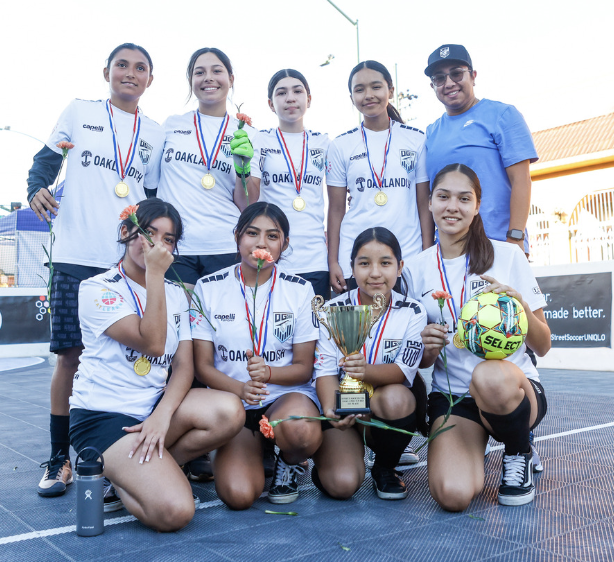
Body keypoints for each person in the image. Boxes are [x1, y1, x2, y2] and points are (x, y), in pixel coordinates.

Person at [27, 43, 165, 497]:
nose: (130, 73)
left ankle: (133, 453)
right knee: (70, 356)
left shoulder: (155, 133)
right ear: (106, 71)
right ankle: (58, 458)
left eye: (140, 67)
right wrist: (36, 191)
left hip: (127, 262)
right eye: (122, 65)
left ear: (150, 79)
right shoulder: (79, 111)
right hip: (74, 256)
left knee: (135, 355)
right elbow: (44, 164)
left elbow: (152, 197)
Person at [69, 198, 244, 531]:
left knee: (229, 410)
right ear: (126, 232)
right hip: (103, 415)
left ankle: (143, 469)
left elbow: (184, 367)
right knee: (176, 512)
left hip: (152, 408)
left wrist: (161, 416)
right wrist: (155, 274)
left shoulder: (176, 293)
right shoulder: (96, 288)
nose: (157, 245)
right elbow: (152, 342)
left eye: (168, 239)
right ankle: (120, 475)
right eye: (148, 234)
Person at [405, 164, 550, 510]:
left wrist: (520, 306)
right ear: (429, 203)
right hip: (455, 398)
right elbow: (423, 361)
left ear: (477, 206)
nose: (452, 206)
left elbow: (543, 345)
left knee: (488, 375)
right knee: (452, 496)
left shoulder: (508, 256)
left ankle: (519, 452)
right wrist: (427, 346)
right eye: (443, 197)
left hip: (511, 389)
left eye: (463, 198)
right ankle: (479, 441)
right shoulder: (415, 269)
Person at [192, 202, 322, 508]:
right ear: (237, 237)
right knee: (239, 496)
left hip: (284, 397)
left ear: (284, 244)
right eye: (252, 233)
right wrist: (240, 389)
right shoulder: (208, 287)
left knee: (299, 431)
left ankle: (289, 461)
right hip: (233, 404)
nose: (261, 243)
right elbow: (202, 367)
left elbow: (304, 368)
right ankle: (247, 448)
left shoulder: (301, 290)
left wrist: (270, 374)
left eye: (272, 236)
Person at [312, 227, 428, 500]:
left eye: (385, 263)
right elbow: (325, 370)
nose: (375, 273)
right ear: (352, 267)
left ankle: (385, 467)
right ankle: (330, 463)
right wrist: (331, 409)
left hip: (381, 406)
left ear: (399, 268)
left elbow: (402, 371)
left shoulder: (413, 311)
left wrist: (365, 372)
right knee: (341, 485)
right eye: (364, 263)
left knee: (398, 399)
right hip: (344, 404)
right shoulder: (331, 311)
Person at [326, 60, 433, 295]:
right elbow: (335, 210)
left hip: (408, 257)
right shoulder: (341, 145)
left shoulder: (416, 140)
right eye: (359, 89)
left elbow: (424, 204)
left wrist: (427, 254)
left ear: (390, 91)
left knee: (408, 329)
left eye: (376, 87)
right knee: (360, 331)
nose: (368, 95)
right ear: (351, 96)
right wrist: (334, 261)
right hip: (357, 260)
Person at [156, 47, 259, 289]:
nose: (208, 78)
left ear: (231, 79)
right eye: (199, 72)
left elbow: (248, 206)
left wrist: (243, 170)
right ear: (191, 81)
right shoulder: (171, 125)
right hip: (176, 247)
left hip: (225, 246)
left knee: (223, 325)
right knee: (176, 324)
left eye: (217, 71)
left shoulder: (247, 133)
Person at [423, 44, 538, 255]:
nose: (449, 83)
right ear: (433, 86)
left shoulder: (503, 115)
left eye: (457, 74)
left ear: (473, 76)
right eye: (439, 78)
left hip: (498, 245)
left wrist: (515, 238)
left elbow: (521, 180)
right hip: (449, 253)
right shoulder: (431, 132)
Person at [251, 69, 331, 299]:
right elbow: (250, 197)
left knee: (315, 332)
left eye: (298, 91)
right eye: (281, 93)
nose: (290, 98)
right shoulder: (259, 140)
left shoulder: (324, 142)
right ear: (270, 103)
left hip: (315, 258)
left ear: (309, 99)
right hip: (272, 257)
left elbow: (337, 205)